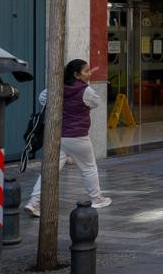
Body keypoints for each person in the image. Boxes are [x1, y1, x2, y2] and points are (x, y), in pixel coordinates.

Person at [26, 59, 111, 214]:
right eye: (86, 71)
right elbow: (96, 102)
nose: (89, 73)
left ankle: (34, 202)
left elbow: (42, 98)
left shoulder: (58, 87)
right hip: (78, 136)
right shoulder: (86, 90)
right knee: (89, 168)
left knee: (49, 170)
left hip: (58, 136)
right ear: (76, 74)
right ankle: (97, 199)